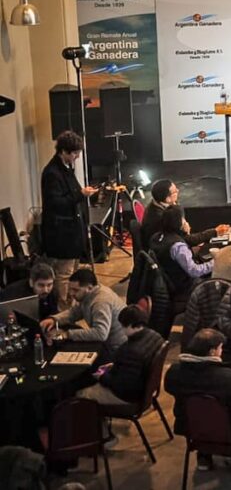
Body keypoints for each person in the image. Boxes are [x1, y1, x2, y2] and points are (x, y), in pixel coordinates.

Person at [164, 328, 231, 458]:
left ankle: (203, 457)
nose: (222, 352)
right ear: (212, 352)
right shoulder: (229, 378)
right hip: (230, 430)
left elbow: (169, 388)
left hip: (190, 427)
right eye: (220, 348)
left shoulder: (174, 373)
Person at [40, 130, 96, 310]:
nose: (77, 157)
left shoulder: (65, 168)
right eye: (74, 153)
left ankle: (71, 308)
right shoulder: (52, 173)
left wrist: (83, 193)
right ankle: (63, 311)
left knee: (72, 273)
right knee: (64, 274)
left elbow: (72, 194)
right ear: (63, 151)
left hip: (72, 232)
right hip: (62, 234)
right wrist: (81, 194)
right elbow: (55, 203)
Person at [77, 305, 164, 410]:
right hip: (145, 388)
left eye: (123, 326)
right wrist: (114, 366)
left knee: (81, 394)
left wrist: (102, 377)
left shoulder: (131, 351)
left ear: (131, 325)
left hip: (130, 396)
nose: (122, 330)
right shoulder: (156, 336)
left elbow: (122, 386)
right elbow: (134, 368)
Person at [40, 268, 127, 361]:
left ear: (89, 288)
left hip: (116, 350)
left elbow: (100, 333)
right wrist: (54, 319)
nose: (71, 293)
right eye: (70, 289)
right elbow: (75, 312)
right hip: (109, 344)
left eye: (75, 290)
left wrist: (67, 334)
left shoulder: (100, 302)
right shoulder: (90, 294)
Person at [140, 179, 228, 251]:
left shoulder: (159, 203)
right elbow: (184, 240)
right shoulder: (160, 218)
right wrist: (214, 232)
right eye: (175, 191)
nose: (178, 191)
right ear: (167, 199)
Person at [149, 205, 214, 297]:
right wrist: (215, 262)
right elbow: (194, 271)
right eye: (183, 219)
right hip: (185, 287)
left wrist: (186, 234)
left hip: (169, 280)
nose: (185, 222)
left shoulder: (155, 237)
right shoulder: (178, 246)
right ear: (178, 223)